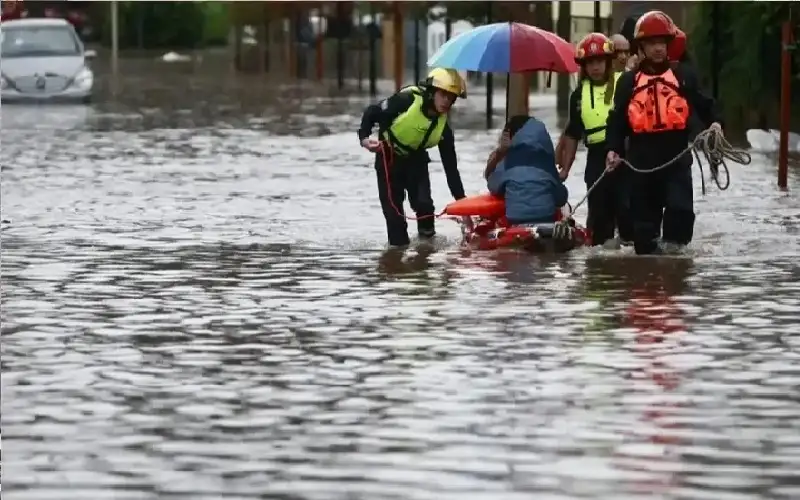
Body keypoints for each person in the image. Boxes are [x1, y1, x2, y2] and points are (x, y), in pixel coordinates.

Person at [605, 11, 723, 255]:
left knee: (680, 217)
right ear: (642, 47)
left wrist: (716, 123)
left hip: (676, 160)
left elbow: (705, 104)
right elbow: (616, 122)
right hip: (641, 164)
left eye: (662, 43)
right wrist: (613, 149)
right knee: (644, 237)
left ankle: (674, 269)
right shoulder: (628, 82)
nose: (658, 48)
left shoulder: (683, 76)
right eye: (652, 43)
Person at [358, 68, 468, 247]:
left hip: (416, 161)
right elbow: (372, 112)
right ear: (432, 92)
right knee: (395, 219)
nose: (447, 101)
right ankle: (397, 256)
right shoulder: (406, 101)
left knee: (425, 206)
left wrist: (464, 206)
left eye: (451, 98)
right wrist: (364, 139)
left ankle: (426, 251)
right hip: (388, 160)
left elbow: (451, 170)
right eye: (444, 95)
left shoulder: (444, 130)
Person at [559, 33, 633, 247]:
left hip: (624, 155)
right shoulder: (578, 95)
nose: (595, 67)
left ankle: (632, 254)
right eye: (590, 63)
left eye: (599, 61)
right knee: (600, 216)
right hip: (596, 157)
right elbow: (573, 134)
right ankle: (602, 257)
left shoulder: (625, 83)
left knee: (628, 210)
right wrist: (565, 169)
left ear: (609, 61)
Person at [485, 115, 568, 226]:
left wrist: (500, 152)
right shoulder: (546, 163)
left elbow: (492, 185)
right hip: (546, 217)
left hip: (516, 217)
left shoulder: (508, 163)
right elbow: (561, 198)